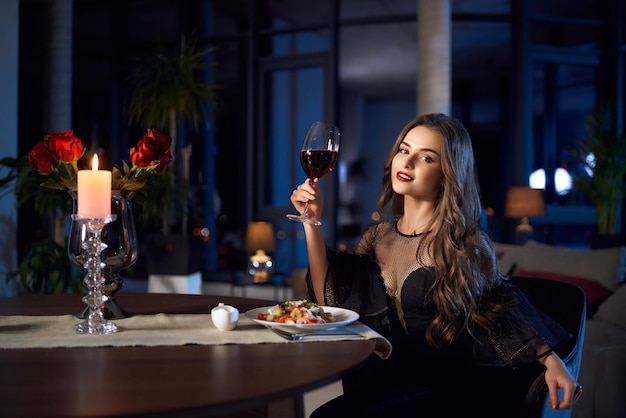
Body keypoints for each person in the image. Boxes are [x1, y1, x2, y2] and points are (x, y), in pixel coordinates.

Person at [289, 113, 582, 417]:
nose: (408, 162)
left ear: (447, 173)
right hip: (379, 384)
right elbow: (329, 300)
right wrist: (311, 222)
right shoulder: (378, 236)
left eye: (426, 158)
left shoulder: (464, 243)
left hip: (443, 394)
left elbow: (500, 307)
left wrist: (552, 361)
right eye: (404, 150)